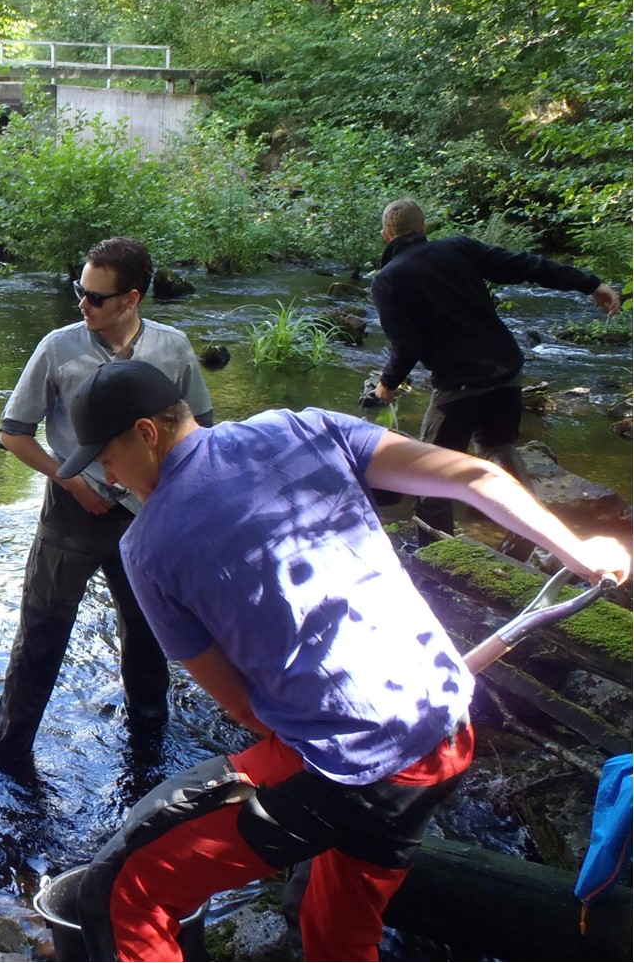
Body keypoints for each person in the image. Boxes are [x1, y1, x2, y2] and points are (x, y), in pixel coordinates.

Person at [58, 359, 630, 961]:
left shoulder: (144, 550)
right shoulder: (303, 428)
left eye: (106, 456)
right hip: (448, 728)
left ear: (147, 433)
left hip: (355, 765)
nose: (107, 474)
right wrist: (577, 549)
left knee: (124, 885)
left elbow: (242, 705)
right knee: (332, 929)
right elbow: (471, 476)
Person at [0, 237, 213, 773]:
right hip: (70, 512)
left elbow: (201, 430)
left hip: (147, 515)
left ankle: (148, 750)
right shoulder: (58, 348)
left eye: (95, 297)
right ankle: (10, 750)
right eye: (79, 292)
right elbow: (12, 433)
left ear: (131, 299)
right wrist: (70, 483)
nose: (82, 306)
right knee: (43, 631)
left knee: (148, 633)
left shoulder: (173, 349)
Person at [370, 197, 621, 542]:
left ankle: (436, 557)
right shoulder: (458, 247)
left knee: (433, 471)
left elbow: (407, 346)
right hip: (505, 371)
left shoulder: (387, 280)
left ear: (387, 235)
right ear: (424, 227)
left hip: (458, 383)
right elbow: (527, 266)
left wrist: (387, 384)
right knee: (499, 450)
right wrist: (589, 284)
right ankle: (529, 536)